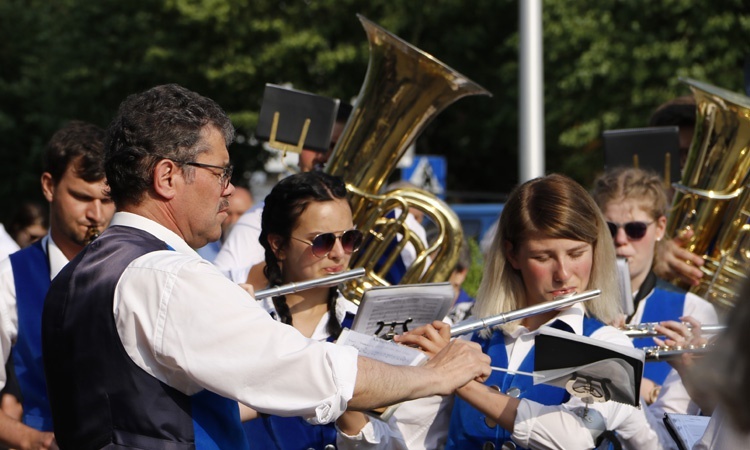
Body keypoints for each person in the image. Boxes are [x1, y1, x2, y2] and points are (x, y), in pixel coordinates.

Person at [40, 84, 490, 448]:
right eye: (220, 172)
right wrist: (432, 374)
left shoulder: (73, 275)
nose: (228, 189)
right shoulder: (170, 277)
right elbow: (306, 372)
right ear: (167, 176)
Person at [397, 173, 661, 449]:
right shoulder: (471, 336)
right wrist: (359, 379)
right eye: (542, 257)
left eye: (576, 254)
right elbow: (406, 439)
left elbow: (574, 438)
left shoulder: (610, 344)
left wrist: (458, 380)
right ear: (512, 255)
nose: (563, 274)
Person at [240, 171, 407, 449]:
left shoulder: (367, 326)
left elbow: (392, 442)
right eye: (322, 241)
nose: (340, 254)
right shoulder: (246, 319)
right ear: (278, 245)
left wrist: (343, 394)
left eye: (349, 238)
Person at [0, 120, 114, 449]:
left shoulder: (140, 268)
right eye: (81, 197)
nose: (97, 215)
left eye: (107, 200)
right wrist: (32, 440)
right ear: (49, 186)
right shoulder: (10, 278)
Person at [591, 167, 718, 448]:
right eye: (610, 228)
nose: (621, 240)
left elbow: (673, 421)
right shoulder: (579, 303)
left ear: (660, 228)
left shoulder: (693, 308)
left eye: (635, 229)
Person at [213, 102, 353, 283]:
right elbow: (219, 284)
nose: (323, 156)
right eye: (314, 145)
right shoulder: (259, 217)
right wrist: (291, 262)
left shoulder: (384, 214)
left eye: (335, 145)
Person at [196, 185, 253, 261]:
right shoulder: (205, 249)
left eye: (240, 214)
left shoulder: (261, 251)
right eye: (228, 213)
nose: (233, 220)